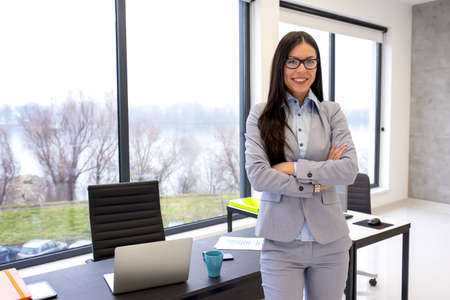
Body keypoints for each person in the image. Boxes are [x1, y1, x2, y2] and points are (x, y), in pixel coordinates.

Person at [245, 31, 358, 300]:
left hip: (331, 242)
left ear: (317, 66)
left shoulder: (332, 113)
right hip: (280, 243)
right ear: (280, 65)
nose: (302, 69)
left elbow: (349, 169)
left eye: (310, 61)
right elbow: (259, 177)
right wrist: (319, 182)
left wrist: (293, 168)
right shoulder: (260, 115)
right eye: (293, 62)